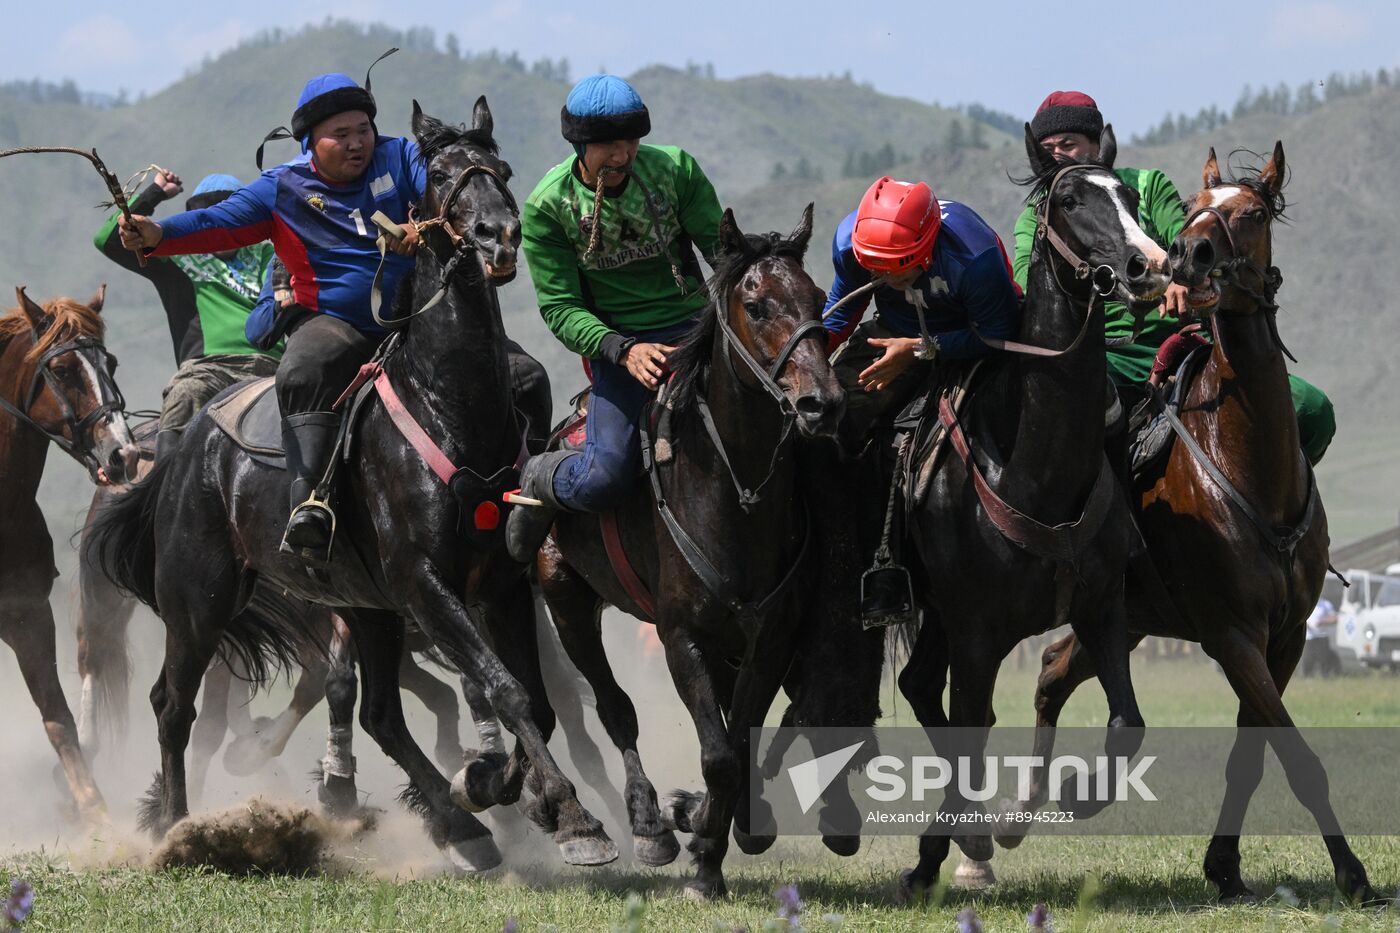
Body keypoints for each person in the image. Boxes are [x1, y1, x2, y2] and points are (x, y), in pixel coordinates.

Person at [118, 70, 550, 562]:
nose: (356, 143)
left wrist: (436, 220)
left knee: (527, 377)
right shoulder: (281, 187)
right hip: (336, 326)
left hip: (419, 322)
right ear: (309, 142)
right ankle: (310, 501)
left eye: (362, 129)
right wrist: (158, 235)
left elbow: (445, 194)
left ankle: (532, 497)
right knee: (305, 368)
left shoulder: (402, 157)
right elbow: (217, 223)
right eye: (340, 135)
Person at [1013, 91, 1336, 463]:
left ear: (1096, 146)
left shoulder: (1147, 186)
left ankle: (1281, 511)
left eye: (1068, 144)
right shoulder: (1037, 218)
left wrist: (1179, 279)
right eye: (1047, 148)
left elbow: (1185, 240)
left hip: (1183, 346)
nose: (1057, 155)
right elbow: (1031, 285)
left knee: (1312, 410)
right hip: (1105, 353)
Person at [505, 75, 723, 562]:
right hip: (619, 349)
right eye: (607, 145)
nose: (622, 155)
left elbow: (721, 252)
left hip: (698, 329)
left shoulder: (675, 171)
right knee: (604, 480)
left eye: (630, 141)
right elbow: (560, 307)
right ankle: (544, 475)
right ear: (579, 144)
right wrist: (623, 350)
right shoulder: (547, 206)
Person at [822, 177, 1022, 623]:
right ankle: (842, 549)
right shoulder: (852, 244)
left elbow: (999, 336)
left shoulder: (974, 260)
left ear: (924, 251)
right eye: (872, 269)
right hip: (892, 339)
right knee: (829, 419)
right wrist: (800, 361)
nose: (881, 279)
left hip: (978, 344)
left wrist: (918, 349)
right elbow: (842, 311)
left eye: (894, 271)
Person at [94, 170, 281, 461]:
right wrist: (155, 193)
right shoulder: (178, 256)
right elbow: (108, 239)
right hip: (210, 369)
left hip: (276, 369)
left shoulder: (271, 254)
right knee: (185, 394)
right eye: (211, 216)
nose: (222, 225)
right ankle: (163, 496)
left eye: (231, 215)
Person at [1302, 596, 1341, 677]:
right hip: (1309, 637)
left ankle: (1325, 675)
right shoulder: (1307, 604)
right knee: (1308, 658)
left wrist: (1323, 621)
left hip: (1322, 636)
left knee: (1323, 658)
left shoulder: (1326, 604)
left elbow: (1334, 618)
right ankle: (1307, 676)